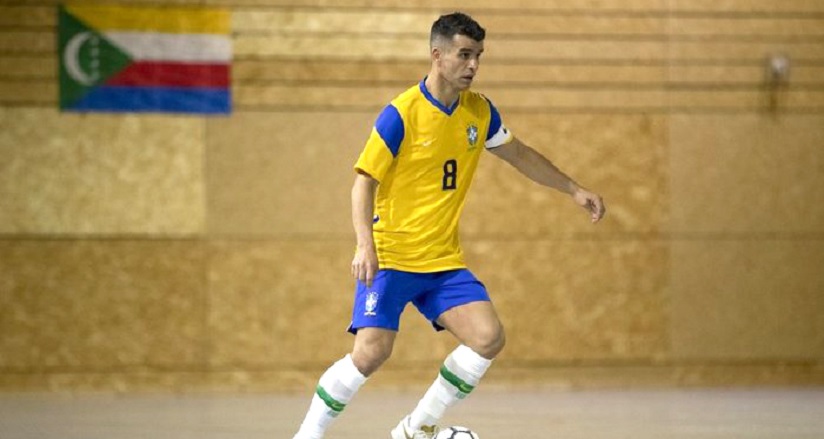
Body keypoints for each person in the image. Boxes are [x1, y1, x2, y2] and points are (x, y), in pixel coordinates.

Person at [291, 11, 605, 439]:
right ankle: (306, 435)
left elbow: (521, 155)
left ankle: (416, 429)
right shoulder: (401, 114)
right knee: (370, 354)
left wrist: (573, 188)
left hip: (441, 262)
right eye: (464, 55)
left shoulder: (479, 112)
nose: (473, 65)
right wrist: (365, 246)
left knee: (488, 337)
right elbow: (363, 185)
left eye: (478, 55)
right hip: (392, 258)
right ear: (437, 55)